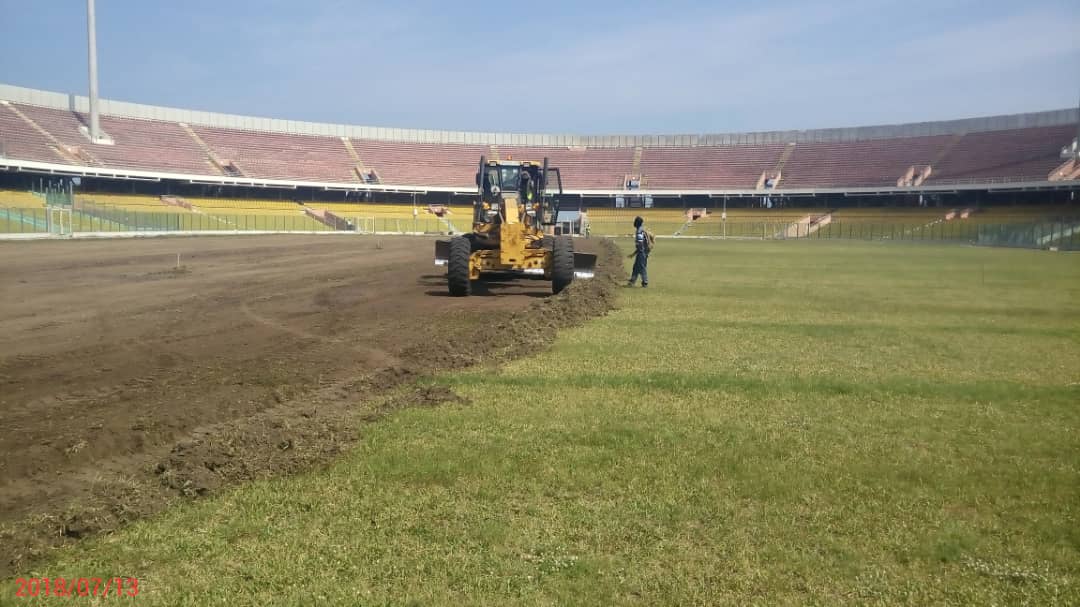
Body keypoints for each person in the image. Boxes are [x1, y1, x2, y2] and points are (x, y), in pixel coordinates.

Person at [627, 215, 648, 288]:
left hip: (641, 252)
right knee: (636, 267)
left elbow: (640, 243)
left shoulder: (639, 231)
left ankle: (645, 282)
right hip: (642, 251)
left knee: (641, 267)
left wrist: (634, 253)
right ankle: (632, 281)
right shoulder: (641, 229)